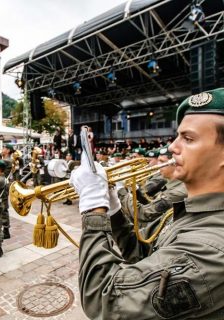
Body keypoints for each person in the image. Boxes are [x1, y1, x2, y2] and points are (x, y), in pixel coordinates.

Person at [69, 88, 224, 319]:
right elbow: (143, 254)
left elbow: (104, 301)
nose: (172, 147)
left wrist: (93, 205)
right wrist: (113, 211)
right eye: (178, 135)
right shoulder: (193, 209)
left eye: (188, 139)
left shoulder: (211, 248)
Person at [118, 146, 187, 227]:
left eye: (162, 161)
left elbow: (144, 214)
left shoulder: (177, 192)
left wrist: (120, 190)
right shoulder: (171, 185)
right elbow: (151, 203)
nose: (158, 165)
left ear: (176, 164)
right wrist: (136, 190)